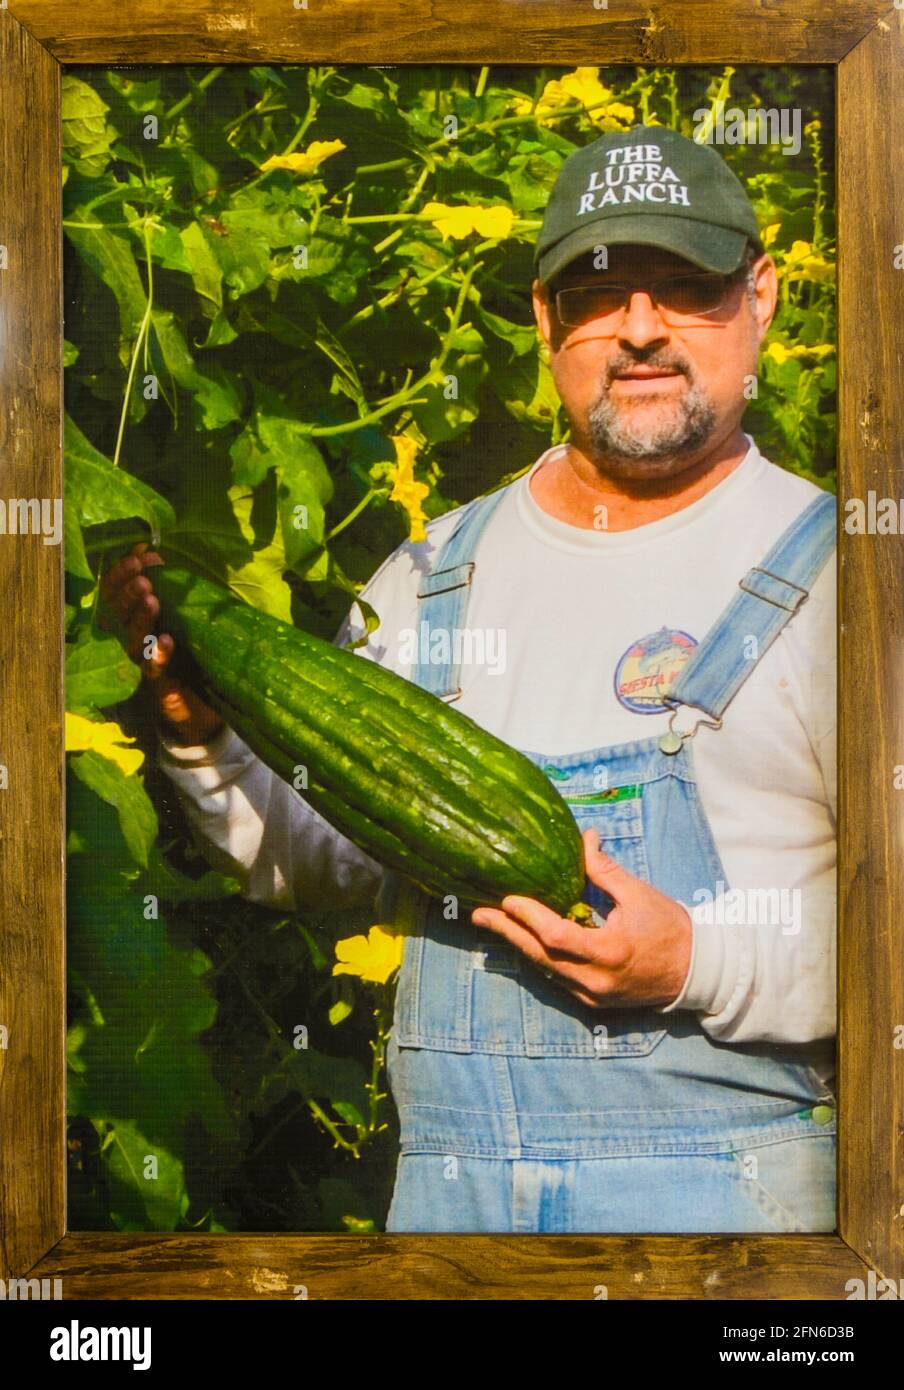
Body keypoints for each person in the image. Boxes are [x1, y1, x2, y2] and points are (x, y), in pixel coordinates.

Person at [102, 125, 837, 1234]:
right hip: (452, 1219)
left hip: (732, 1225)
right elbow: (316, 858)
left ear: (759, 299)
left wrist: (698, 961)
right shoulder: (429, 573)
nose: (639, 328)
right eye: (597, 296)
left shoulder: (844, 575)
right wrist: (197, 731)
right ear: (546, 322)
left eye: (683, 287)